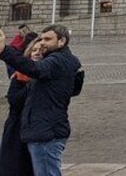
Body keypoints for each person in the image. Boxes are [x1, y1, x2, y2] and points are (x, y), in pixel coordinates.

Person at [0, 24, 82, 176]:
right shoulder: (64, 61)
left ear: (61, 41)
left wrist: (5, 51)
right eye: (42, 38)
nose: (43, 42)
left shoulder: (56, 61)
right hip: (45, 129)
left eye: (48, 39)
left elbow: (34, 69)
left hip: (45, 132)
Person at [0, 37, 42, 176]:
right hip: (16, 128)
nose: (36, 53)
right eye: (34, 50)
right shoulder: (20, 75)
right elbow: (15, 100)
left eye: (40, 51)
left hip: (38, 128)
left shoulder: (50, 74)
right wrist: (33, 84)